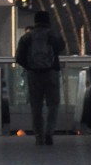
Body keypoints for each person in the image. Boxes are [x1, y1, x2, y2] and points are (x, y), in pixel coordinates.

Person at [15, 10, 66, 145]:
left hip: (34, 75)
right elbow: (61, 47)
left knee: (36, 107)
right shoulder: (52, 35)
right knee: (53, 105)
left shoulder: (27, 37)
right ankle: (49, 132)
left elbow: (18, 57)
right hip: (51, 73)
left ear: (35, 21)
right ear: (48, 21)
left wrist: (30, 67)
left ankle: (39, 135)